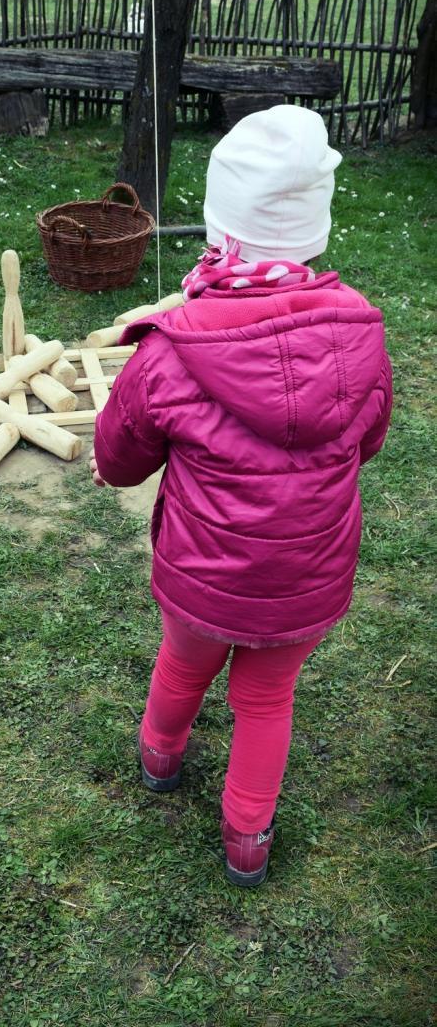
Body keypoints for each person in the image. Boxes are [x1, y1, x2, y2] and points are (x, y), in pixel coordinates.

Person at [89, 105, 393, 887]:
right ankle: (247, 840)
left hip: (203, 575)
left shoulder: (171, 347)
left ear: (218, 232)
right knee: (266, 698)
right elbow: (367, 440)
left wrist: (110, 468)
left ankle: (160, 758)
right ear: (313, 233)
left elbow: (121, 455)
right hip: (306, 580)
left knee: (183, 664)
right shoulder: (362, 335)